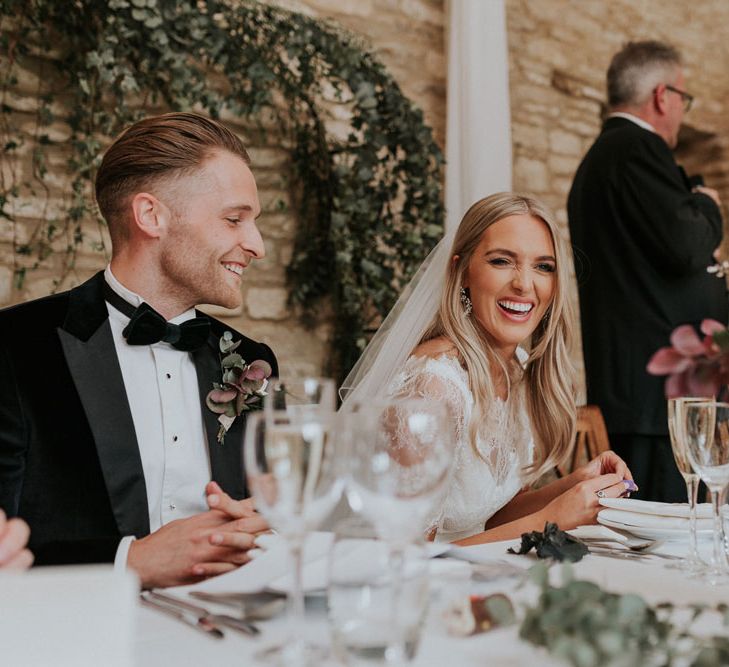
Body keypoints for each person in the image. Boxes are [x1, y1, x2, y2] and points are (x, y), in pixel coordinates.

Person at [0, 112, 276, 587]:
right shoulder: (14, 347)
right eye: (234, 219)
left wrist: (266, 521)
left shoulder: (250, 360)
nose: (257, 245)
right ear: (151, 216)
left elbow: (272, 510)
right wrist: (129, 562)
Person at [342, 193, 635, 544]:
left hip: (476, 578)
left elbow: (493, 518)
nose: (525, 284)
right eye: (501, 261)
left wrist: (573, 485)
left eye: (543, 267)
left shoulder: (519, 372)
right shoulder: (432, 387)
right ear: (461, 271)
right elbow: (406, 562)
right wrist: (550, 519)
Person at [568, 41, 727, 502]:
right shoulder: (636, 149)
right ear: (663, 95)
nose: (681, 109)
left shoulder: (609, 157)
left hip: (645, 402)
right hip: (654, 407)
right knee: (666, 539)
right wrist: (705, 203)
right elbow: (687, 245)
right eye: (683, 98)